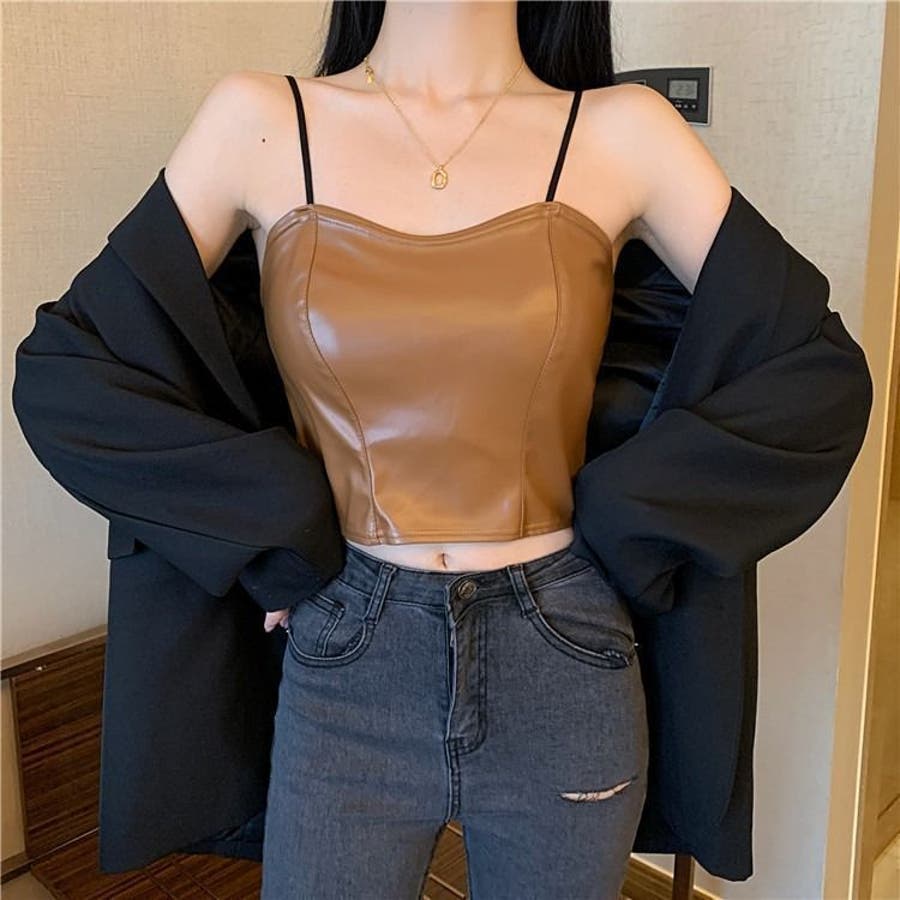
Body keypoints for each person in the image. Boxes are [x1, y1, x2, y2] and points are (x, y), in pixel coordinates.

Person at [11, 0, 873, 896]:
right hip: (349, 656)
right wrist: (272, 523)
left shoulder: (625, 134)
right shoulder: (258, 124)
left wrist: (631, 520)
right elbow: (72, 372)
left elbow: (815, 376)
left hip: (563, 657)